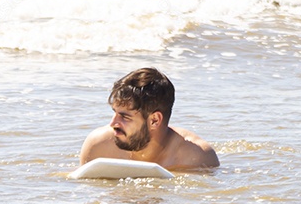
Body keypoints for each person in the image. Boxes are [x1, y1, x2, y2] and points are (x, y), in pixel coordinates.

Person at [79, 67, 219, 171]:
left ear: (154, 120)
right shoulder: (99, 147)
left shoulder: (197, 158)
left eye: (125, 116)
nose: (113, 123)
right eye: (114, 113)